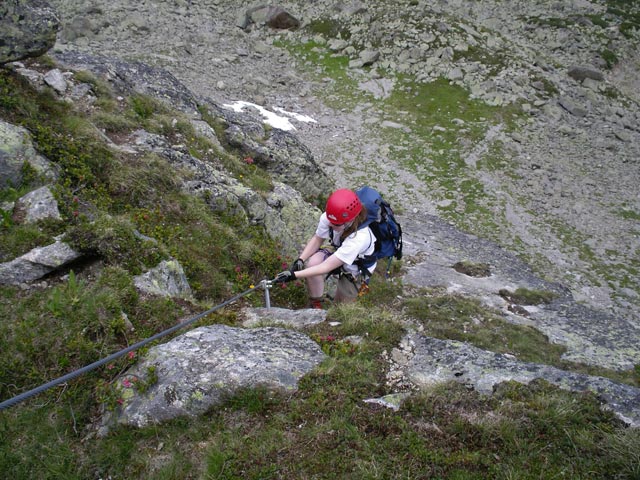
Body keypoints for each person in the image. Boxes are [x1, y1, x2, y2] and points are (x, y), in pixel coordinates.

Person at [275, 188, 377, 308]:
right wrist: (300, 260)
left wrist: (294, 275)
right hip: (339, 246)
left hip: (357, 266)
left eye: (336, 224)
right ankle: (316, 303)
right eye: (330, 221)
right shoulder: (331, 217)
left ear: (350, 220)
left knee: (341, 308)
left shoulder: (359, 238)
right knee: (312, 264)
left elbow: (326, 266)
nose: (330, 225)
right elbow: (318, 239)